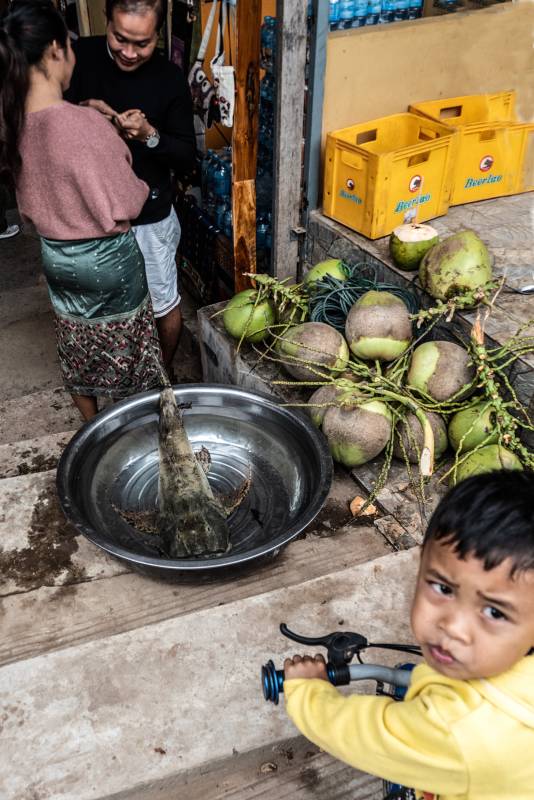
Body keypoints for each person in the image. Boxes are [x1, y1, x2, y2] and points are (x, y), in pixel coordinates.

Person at [281, 470, 534, 800]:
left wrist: (308, 692)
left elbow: (366, 736)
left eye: (494, 612)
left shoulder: (455, 730)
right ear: (421, 564)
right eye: (443, 588)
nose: (453, 627)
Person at [0, 0, 164, 421]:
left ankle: (93, 431)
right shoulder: (86, 126)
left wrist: (85, 115)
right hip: (109, 263)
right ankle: (136, 424)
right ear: (57, 49)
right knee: (133, 353)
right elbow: (129, 199)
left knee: (77, 348)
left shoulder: (13, 123)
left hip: (56, 258)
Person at [65, 0, 196, 375]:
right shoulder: (78, 57)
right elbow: (43, 122)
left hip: (149, 216)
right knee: (101, 309)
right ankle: (116, 380)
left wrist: (151, 136)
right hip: (88, 213)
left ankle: (159, 376)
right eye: (120, 38)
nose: (128, 51)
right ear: (106, 21)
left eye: (142, 43)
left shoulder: (170, 78)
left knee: (162, 303)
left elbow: (187, 159)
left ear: (158, 34)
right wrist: (82, 115)